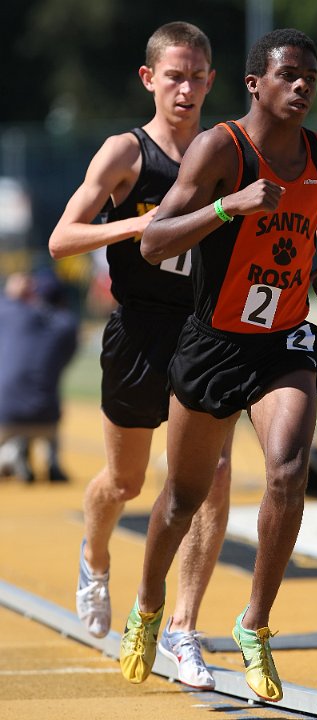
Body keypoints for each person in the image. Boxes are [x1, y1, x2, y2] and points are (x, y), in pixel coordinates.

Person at [120, 28, 317, 702]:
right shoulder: (219, 148)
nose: (302, 85)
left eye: (310, 75)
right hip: (214, 343)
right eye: (288, 74)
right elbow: (154, 240)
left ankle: (254, 624)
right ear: (255, 83)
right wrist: (229, 205)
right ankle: (146, 606)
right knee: (182, 500)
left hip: (281, 339)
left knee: (286, 471)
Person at [49, 22, 234, 690]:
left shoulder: (226, 152)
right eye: (174, 76)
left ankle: (183, 628)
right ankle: (95, 554)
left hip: (207, 332)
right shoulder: (126, 153)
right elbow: (62, 238)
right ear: (149, 79)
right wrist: (139, 224)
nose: (186, 89)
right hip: (137, 332)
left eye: (197, 76)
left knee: (209, 477)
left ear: (212, 81)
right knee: (123, 484)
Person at [0, 269, 79, 483]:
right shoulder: (68, 324)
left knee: (12, 387)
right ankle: (52, 460)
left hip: (6, 417)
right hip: (47, 418)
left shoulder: (9, 312)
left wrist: (12, 292)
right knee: (45, 389)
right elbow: (63, 361)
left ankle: (11, 454)